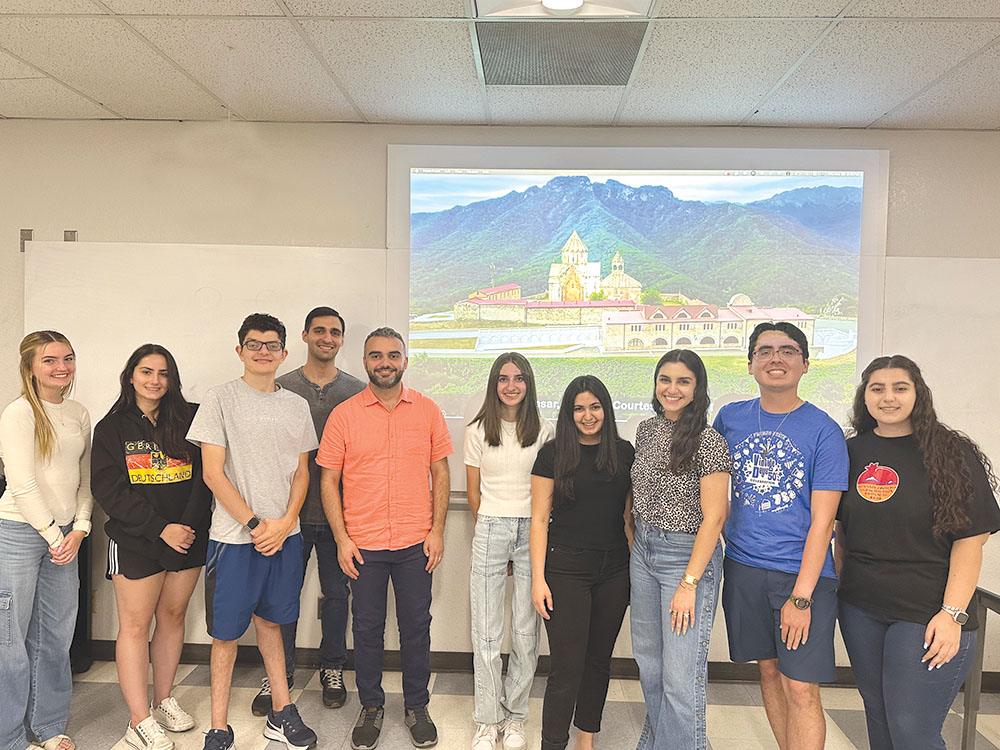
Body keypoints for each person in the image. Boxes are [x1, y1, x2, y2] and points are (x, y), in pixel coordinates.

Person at [835, 355, 1000, 750]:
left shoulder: (950, 451)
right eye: (877, 388)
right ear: (864, 396)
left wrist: (952, 615)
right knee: (878, 717)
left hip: (927, 612)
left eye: (899, 388)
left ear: (918, 394)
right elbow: (841, 530)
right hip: (861, 609)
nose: (887, 397)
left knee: (912, 731)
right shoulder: (851, 452)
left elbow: (971, 539)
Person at [186, 313, 319, 750]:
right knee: (225, 636)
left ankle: (282, 712)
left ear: (284, 352)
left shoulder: (296, 405)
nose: (263, 350)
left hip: (285, 535)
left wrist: (282, 524)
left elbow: (302, 473)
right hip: (234, 539)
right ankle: (219, 727)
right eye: (254, 343)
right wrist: (256, 524)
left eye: (271, 344)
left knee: (273, 624)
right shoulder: (220, 398)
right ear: (240, 350)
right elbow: (212, 472)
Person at [712, 321, 847, 750]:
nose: (776, 359)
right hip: (744, 568)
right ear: (749, 363)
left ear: (805, 365)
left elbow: (823, 523)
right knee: (768, 671)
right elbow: (712, 491)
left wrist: (802, 597)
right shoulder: (729, 419)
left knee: (801, 687)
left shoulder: (824, 429)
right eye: (765, 351)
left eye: (787, 351)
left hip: (801, 575)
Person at [318, 326, 452, 750]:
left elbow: (441, 473)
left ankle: (416, 706)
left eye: (394, 356)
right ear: (365, 362)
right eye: (377, 356)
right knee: (367, 628)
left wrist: (437, 530)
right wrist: (341, 538)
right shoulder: (345, 414)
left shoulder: (429, 411)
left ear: (405, 361)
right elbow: (329, 480)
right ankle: (371, 706)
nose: (385, 363)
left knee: (416, 627)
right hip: (364, 543)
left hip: (416, 543)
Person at [90, 344, 212, 750]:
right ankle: (138, 720)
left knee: (173, 616)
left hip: (188, 537)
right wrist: (161, 529)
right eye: (146, 372)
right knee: (136, 626)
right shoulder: (111, 428)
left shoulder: (191, 418)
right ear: (131, 376)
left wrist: (187, 528)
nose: (155, 380)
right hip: (137, 539)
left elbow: (205, 477)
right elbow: (109, 491)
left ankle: (164, 701)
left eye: (163, 373)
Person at [249, 307, 365, 716]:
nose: (326, 337)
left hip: (339, 518)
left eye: (335, 331)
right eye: (319, 330)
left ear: (342, 340)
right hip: (287, 517)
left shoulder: (356, 390)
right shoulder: (280, 386)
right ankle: (278, 676)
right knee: (281, 599)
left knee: (337, 597)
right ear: (304, 335)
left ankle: (332, 668)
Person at [629, 350, 731, 750]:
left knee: (679, 678)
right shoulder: (647, 430)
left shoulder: (709, 441)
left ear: (697, 388)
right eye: (665, 379)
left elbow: (715, 518)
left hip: (687, 560)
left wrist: (689, 582)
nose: (672, 389)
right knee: (650, 668)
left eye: (683, 381)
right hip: (645, 551)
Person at [0, 330, 93, 750]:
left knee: (55, 637)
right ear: (30, 367)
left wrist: (81, 528)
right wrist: (56, 535)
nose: (62, 368)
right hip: (19, 533)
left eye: (68, 358)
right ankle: (11, 736)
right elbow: (21, 485)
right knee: (10, 642)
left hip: (66, 536)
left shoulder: (78, 413)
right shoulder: (18, 413)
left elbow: (84, 481)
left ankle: (49, 725)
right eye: (50, 360)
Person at [530, 375, 634, 750]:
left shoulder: (624, 454)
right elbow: (539, 519)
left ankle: (585, 739)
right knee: (566, 668)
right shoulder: (553, 453)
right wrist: (537, 579)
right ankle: (553, 743)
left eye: (594, 407)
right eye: (579, 408)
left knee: (598, 662)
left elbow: (629, 518)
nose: (587, 415)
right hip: (565, 568)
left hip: (614, 570)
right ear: (568, 413)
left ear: (605, 409)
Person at [465, 353, 554, 750]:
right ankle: (487, 720)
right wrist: (490, 534)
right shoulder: (476, 430)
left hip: (534, 531)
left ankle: (515, 716)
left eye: (519, 378)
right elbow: (472, 492)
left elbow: (548, 495)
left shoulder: (545, 430)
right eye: (503, 379)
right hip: (490, 528)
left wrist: (531, 545)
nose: (511, 385)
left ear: (529, 383)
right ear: (494, 384)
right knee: (486, 631)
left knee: (524, 629)